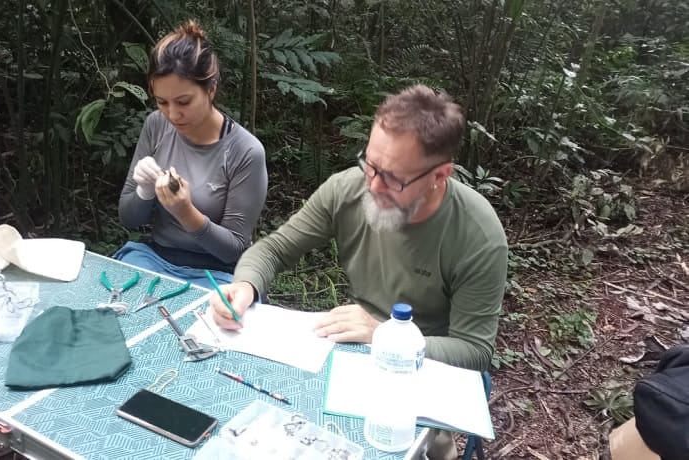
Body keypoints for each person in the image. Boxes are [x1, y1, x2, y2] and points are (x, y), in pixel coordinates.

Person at [209, 84, 508, 459]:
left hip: (425, 371)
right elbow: (274, 248)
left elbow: (475, 350)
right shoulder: (347, 190)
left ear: (440, 175)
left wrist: (383, 336)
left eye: (394, 178)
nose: (374, 185)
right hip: (349, 357)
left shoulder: (476, 235)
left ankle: (438, 446)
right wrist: (245, 286)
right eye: (370, 164)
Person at [117, 20, 268, 290]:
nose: (173, 115)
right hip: (157, 257)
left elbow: (234, 249)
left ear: (210, 89)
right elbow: (129, 219)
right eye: (162, 102)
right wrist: (144, 192)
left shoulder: (245, 151)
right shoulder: (156, 125)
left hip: (219, 272)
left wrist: (185, 212)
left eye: (183, 102)